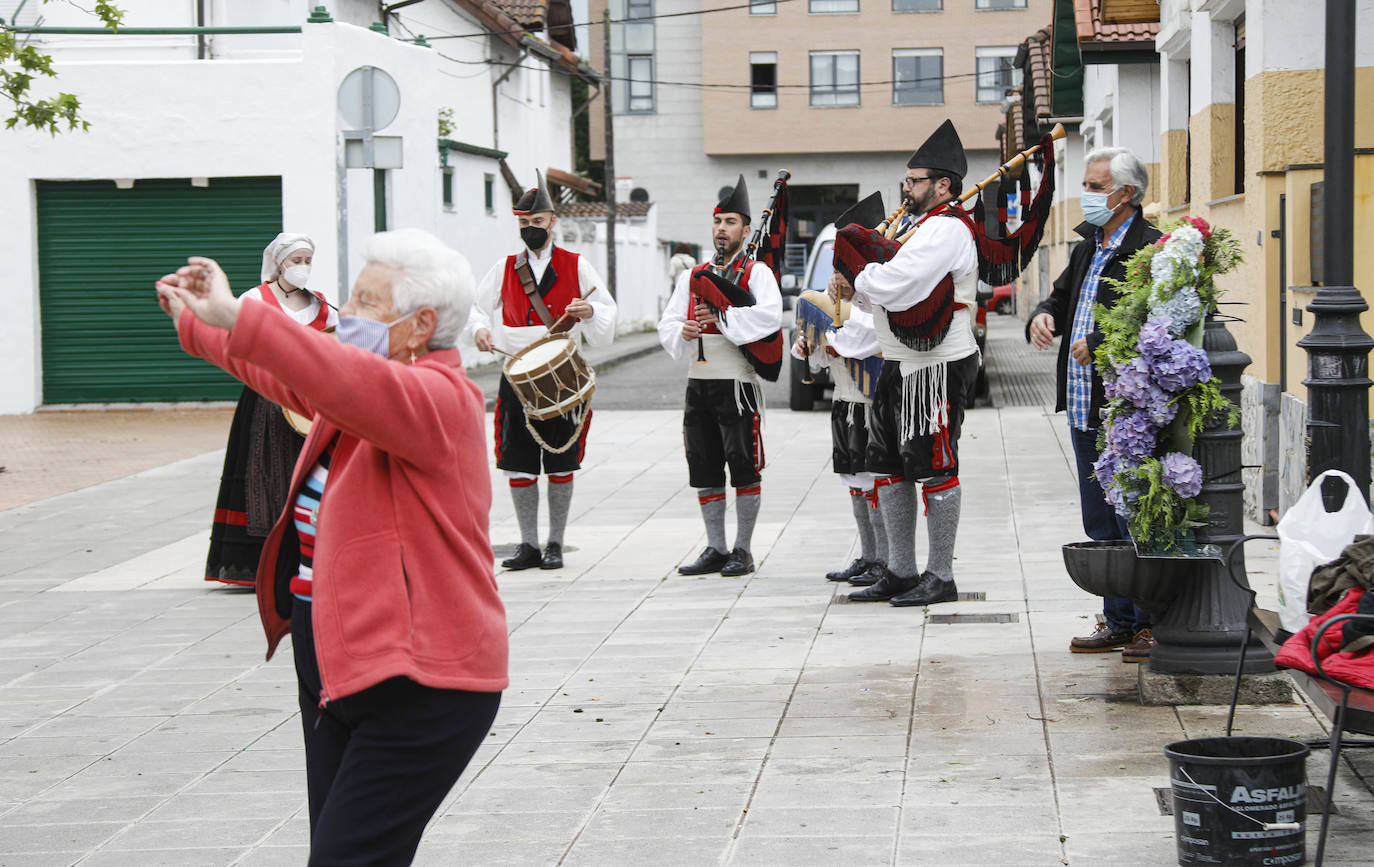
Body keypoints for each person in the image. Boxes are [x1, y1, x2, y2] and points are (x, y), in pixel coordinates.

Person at [156, 228, 504, 866]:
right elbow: (287, 375)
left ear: (420, 324)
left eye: (367, 301)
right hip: (335, 662)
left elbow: (329, 371)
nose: (347, 312)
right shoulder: (366, 394)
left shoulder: (439, 398)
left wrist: (240, 313)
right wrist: (196, 324)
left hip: (420, 679)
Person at [829, 119, 979, 608]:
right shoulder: (918, 227)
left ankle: (941, 575)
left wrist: (858, 272)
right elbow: (893, 300)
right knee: (888, 465)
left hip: (938, 363)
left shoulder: (947, 228)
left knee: (934, 465)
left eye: (915, 181)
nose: (906, 188)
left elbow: (900, 282)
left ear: (943, 185)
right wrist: (856, 292)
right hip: (899, 360)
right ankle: (899, 569)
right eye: (907, 180)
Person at [1028, 146, 1161, 664]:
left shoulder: (1151, 249)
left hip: (1126, 409)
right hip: (1085, 406)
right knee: (1100, 519)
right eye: (1084, 184)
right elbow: (1061, 299)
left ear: (1125, 194)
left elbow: (1155, 324)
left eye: (1095, 186)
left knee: (1137, 516)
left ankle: (1150, 621)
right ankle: (1120, 619)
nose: (1086, 195)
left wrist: (1102, 339)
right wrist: (1043, 315)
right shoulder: (1087, 246)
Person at [469, 172, 616, 571]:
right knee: (517, 460)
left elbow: (606, 310)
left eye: (536, 222)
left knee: (561, 459)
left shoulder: (577, 265)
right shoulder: (503, 267)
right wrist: (481, 329)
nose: (530, 229)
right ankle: (529, 544)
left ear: (552, 221)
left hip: (562, 374)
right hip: (517, 373)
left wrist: (590, 311)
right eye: (523, 224)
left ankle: (555, 543)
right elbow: (477, 307)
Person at [658, 175, 782, 577]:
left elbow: (768, 318)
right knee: (704, 466)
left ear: (746, 230)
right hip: (699, 384)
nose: (721, 229)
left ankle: (742, 549)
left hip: (736, 384)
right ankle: (715, 546)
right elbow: (670, 320)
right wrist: (683, 330)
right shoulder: (692, 276)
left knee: (743, 465)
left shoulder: (756, 273)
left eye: (730, 222)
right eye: (717, 222)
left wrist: (724, 317)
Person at [204, 233, 338, 586]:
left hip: (309, 400)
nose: (303, 268)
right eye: (296, 261)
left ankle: (310, 554)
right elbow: (233, 342)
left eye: (308, 261)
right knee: (265, 475)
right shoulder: (254, 299)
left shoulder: (322, 303)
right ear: (279, 264)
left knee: (310, 472)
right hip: (266, 396)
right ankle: (263, 562)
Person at [793, 301, 886, 586]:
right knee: (854, 479)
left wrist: (830, 335)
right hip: (842, 401)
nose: (834, 283)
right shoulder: (834, 306)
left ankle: (884, 560)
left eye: (840, 274)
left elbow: (864, 339)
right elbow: (822, 359)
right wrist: (808, 346)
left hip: (868, 404)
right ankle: (869, 556)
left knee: (874, 481)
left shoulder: (875, 301)